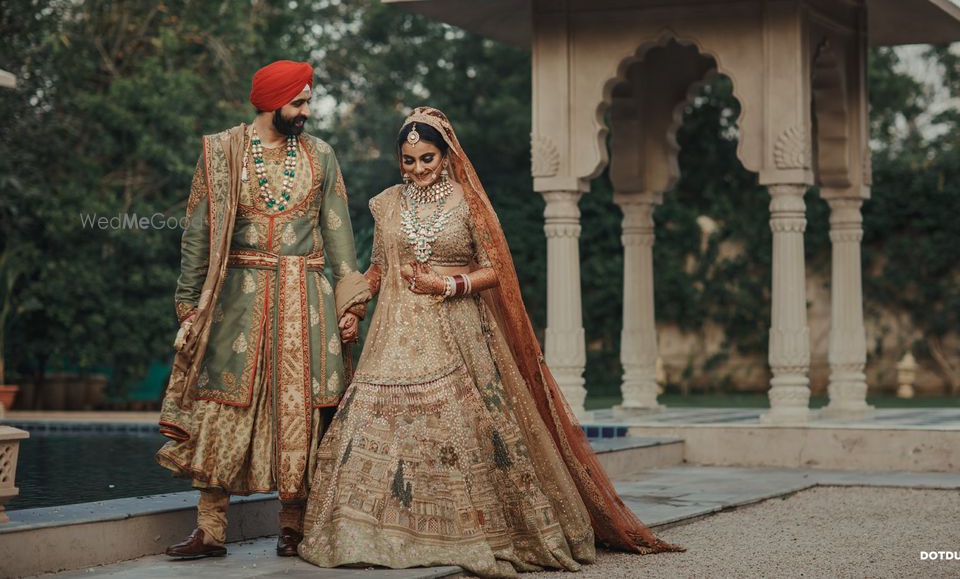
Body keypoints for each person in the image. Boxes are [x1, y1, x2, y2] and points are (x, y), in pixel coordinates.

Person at [298, 107, 683, 578]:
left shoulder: (468, 202)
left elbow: (495, 269)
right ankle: (376, 533)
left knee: (460, 428)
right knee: (378, 429)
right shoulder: (386, 204)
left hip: (457, 330)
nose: (418, 169)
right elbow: (378, 266)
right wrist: (352, 305)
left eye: (427, 158)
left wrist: (447, 285)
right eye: (408, 161)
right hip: (393, 335)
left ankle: (471, 532)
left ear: (446, 154)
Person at [155, 60, 370, 559]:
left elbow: (340, 234)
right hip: (238, 301)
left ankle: (293, 526)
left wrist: (352, 303)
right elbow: (198, 235)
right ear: (271, 101)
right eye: (298, 102)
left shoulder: (320, 155)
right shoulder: (222, 151)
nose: (306, 111)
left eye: (308, 101)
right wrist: (189, 306)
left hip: (306, 301)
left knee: (305, 411)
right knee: (223, 404)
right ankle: (210, 529)